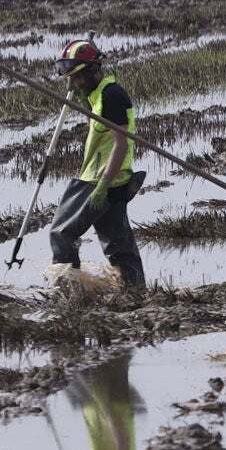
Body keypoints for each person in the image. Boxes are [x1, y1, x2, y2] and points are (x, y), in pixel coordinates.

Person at [47, 39, 146, 288]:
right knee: (119, 246)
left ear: (94, 70)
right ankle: (135, 292)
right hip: (114, 179)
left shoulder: (111, 95)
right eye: (71, 78)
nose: (75, 83)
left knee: (62, 233)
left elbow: (120, 144)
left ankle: (68, 292)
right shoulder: (99, 95)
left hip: (101, 179)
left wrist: (102, 186)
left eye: (79, 77)